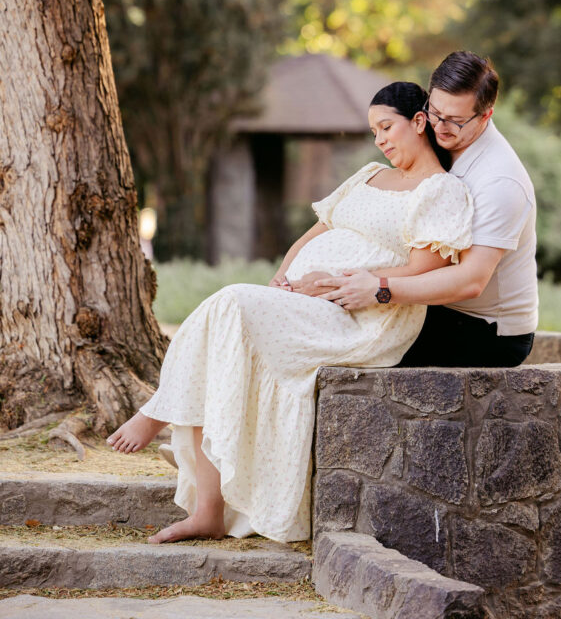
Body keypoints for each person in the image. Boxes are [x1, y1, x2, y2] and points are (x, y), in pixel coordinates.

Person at [107, 82, 473, 545]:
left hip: (363, 315)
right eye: (373, 131)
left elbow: (423, 268)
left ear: (419, 122)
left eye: (386, 127)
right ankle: (207, 512)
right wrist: (283, 278)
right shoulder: (367, 175)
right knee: (223, 326)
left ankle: (159, 413)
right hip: (305, 298)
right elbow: (314, 233)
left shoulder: (440, 191)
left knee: (229, 301)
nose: (379, 139)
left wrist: (339, 279)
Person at [293, 51, 537, 368]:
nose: (441, 126)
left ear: (486, 116)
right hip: (427, 303)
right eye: (435, 112)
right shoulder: (438, 142)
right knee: (315, 317)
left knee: (328, 338)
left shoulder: (500, 181)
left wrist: (378, 289)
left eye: (456, 119)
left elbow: (471, 281)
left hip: (484, 330)